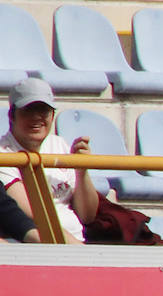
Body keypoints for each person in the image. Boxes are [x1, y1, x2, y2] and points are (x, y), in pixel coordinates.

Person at [0, 78, 98, 244]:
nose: (37, 117)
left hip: (76, 243)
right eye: (28, 110)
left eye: (43, 110)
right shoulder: (4, 153)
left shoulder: (59, 145)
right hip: (42, 247)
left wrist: (82, 172)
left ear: (53, 115)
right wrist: (80, 252)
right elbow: (35, 215)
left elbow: (87, 215)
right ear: (12, 115)